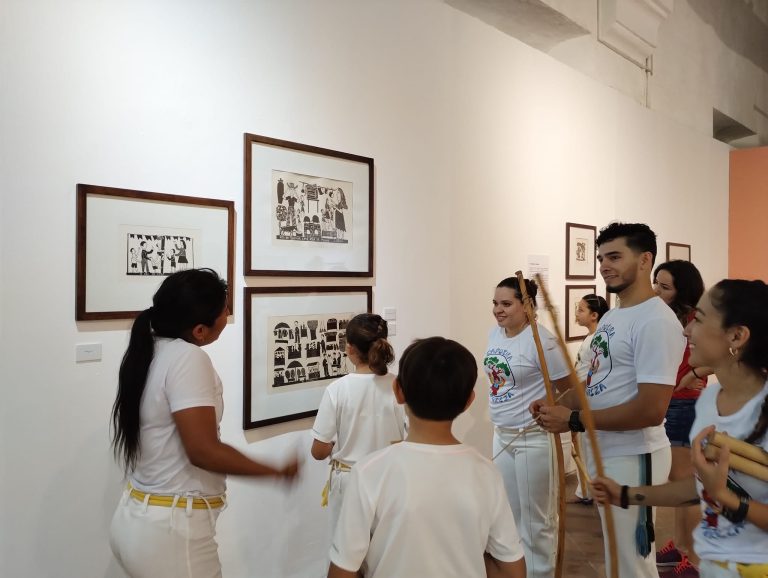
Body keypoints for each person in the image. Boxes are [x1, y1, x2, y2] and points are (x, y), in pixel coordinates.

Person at [109, 268, 298, 578]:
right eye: (224, 309)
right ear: (199, 330)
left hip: (138, 517)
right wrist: (274, 471)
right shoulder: (187, 358)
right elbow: (203, 451)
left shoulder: (151, 349)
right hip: (171, 532)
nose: (228, 313)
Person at [533, 222, 686, 578]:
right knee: (617, 555)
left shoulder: (655, 321)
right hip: (607, 449)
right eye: (601, 257)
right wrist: (559, 401)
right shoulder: (615, 316)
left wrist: (572, 421)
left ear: (646, 260)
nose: (604, 265)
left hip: (636, 454)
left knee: (632, 561)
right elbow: (596, 381)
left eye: (615, 256)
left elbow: (651, 409)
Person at [591, 279, 768, 578]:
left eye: (698, 320)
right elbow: (700, 487)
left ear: (736, 336)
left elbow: (717, 491)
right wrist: (625, 494)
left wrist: (724, 498)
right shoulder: (710, 400)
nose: (687, 331)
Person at [328, 337, 526, 578]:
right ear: (468, 402)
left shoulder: (369, 471)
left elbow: (342, 571)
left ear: (398, 391)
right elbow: (513, 571)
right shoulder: (486, 471)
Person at [484, 276, 571, 578]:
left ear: (527, 305)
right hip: (502, 434)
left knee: (537, 522)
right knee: (508, 516)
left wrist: (549, 405)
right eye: (495, 303)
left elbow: (569, 389)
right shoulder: (495, 335)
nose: (498, 310)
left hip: (533, 437)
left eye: (506, 303)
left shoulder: (543, 341)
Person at [310, 313, 404, 536]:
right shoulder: (398, 385)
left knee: (347, 555)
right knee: (386, 553)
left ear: (350, 349)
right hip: (390, 478)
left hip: (350, 480)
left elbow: (318, 451)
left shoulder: (337, 390)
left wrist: (340, 444)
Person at [653, 260, 713, 575]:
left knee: (685, 482)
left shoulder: (694, 319)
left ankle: (689, 552)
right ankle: (679, 546)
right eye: (656, 284)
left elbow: (723, 355)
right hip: (672, 402)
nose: (656, 291)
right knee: (680, 481)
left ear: (682, 290)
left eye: (665, 286)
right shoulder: (668, 316)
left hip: (684, 404)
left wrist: (691, 376)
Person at [569, 293, 609, 506]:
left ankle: (590, 490)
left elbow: (593, 372)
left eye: (581, 310)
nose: (577, 314)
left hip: (589, 399)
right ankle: (585, 490)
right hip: (583, 396)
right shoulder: (590, 338)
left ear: (594, 315)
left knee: (589, 447)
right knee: (583, 447)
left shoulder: (598, 340)